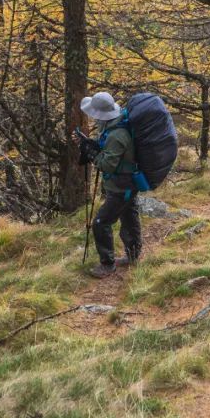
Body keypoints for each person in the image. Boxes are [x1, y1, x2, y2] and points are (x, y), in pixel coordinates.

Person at [78, 91, 142, 279]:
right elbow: (110, 152)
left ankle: (107, 264)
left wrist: (92, 155)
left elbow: (108, 164)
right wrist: (93, 145)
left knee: (101, 222)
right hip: (127, 184)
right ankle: (133, 256)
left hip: (121, 187)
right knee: (129, 216)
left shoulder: (116, 135)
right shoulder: (114, 127)